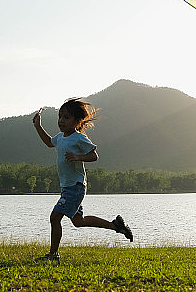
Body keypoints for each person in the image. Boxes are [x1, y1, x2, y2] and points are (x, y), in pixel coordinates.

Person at [32, 97, 133, 263]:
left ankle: (53, 255)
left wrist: (78, 156)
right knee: (78, 221)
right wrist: (38, 126)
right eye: (60, 116)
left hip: (75, 187)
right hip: (68, 187)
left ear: (77, 121)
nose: (61, 121)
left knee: (54, 217)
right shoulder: (61, 137)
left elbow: (94, 155)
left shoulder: (78, 138)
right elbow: (49, 143)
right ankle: (116, 226)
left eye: (66, 117)